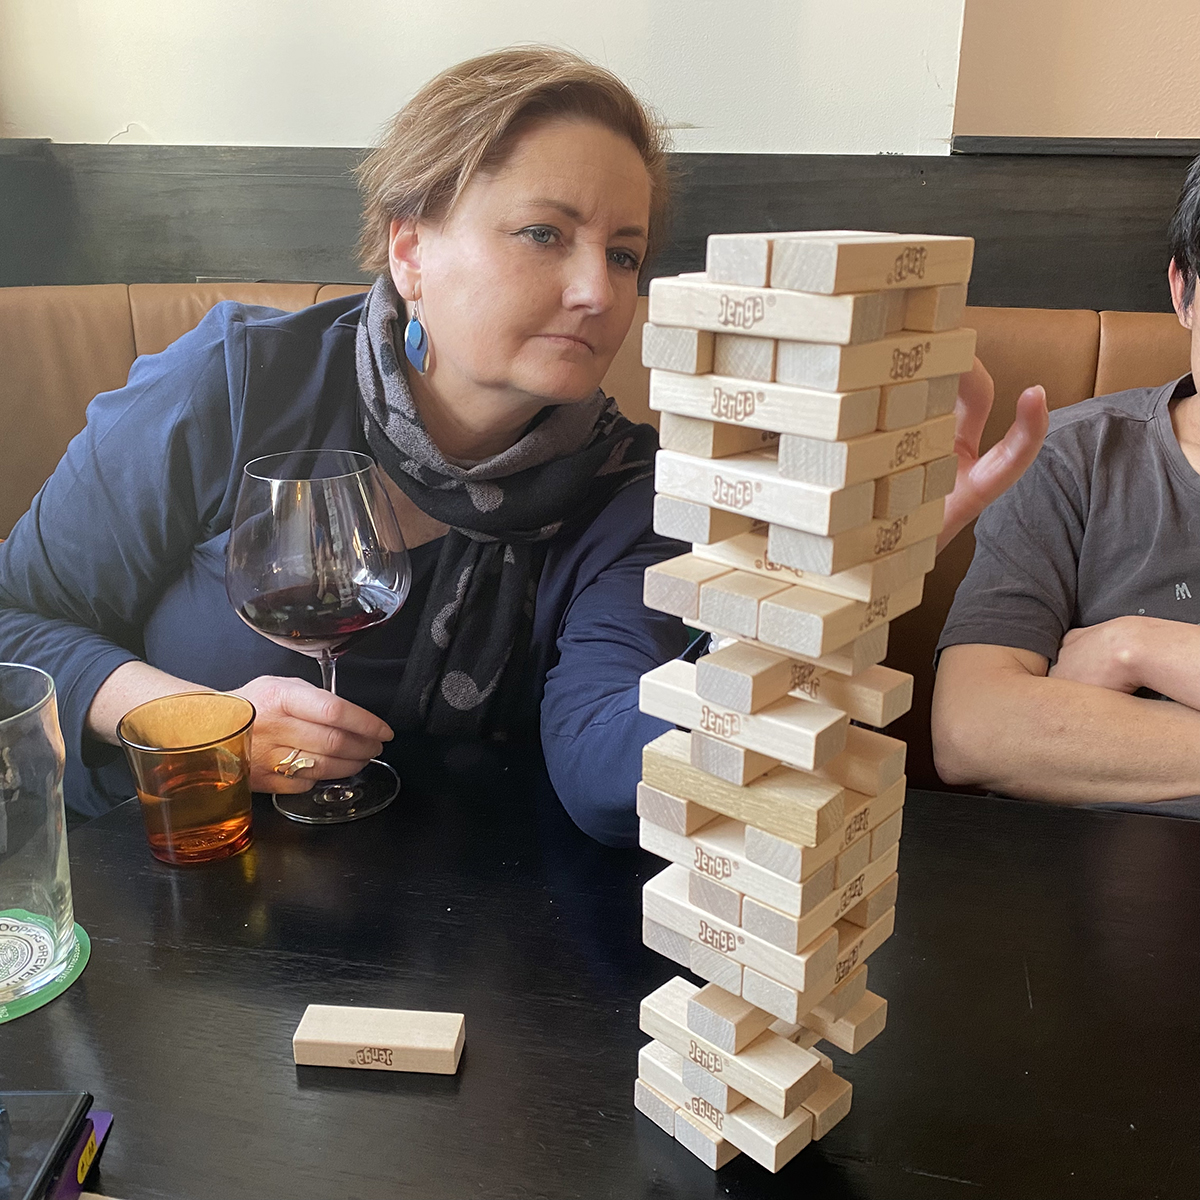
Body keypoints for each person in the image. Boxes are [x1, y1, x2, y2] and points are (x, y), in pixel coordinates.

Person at [0, 47, 1046, 845]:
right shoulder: (238, 384)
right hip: (167, 879)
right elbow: (16, 626)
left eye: (625, 254)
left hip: (455, 942)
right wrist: (196, 720)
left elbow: (600, 774)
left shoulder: (627, 490)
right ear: (410, 248)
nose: (599, 291)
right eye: (544, 234)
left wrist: (828, 592)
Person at [932, 155, 1200, 815]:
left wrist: (1134, 646)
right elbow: (972, 729)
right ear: (1184, 291)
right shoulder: (1072, 458)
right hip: (1089, 871)